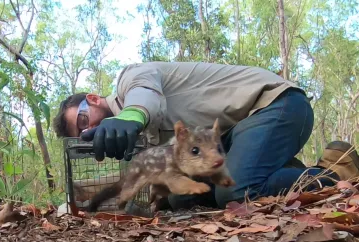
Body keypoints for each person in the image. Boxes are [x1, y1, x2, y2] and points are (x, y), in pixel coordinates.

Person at [52, 61, 359, 209]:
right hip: (234, 138)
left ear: (92, 98)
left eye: (83, 118)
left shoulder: (131, 79)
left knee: (233, 191)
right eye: (82, 132)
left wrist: (129, 118)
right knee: (180, 198)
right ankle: (295, 171)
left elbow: (144, 98)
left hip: (275, 105)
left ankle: (332, 174)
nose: (88, 129)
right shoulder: (141, 142)